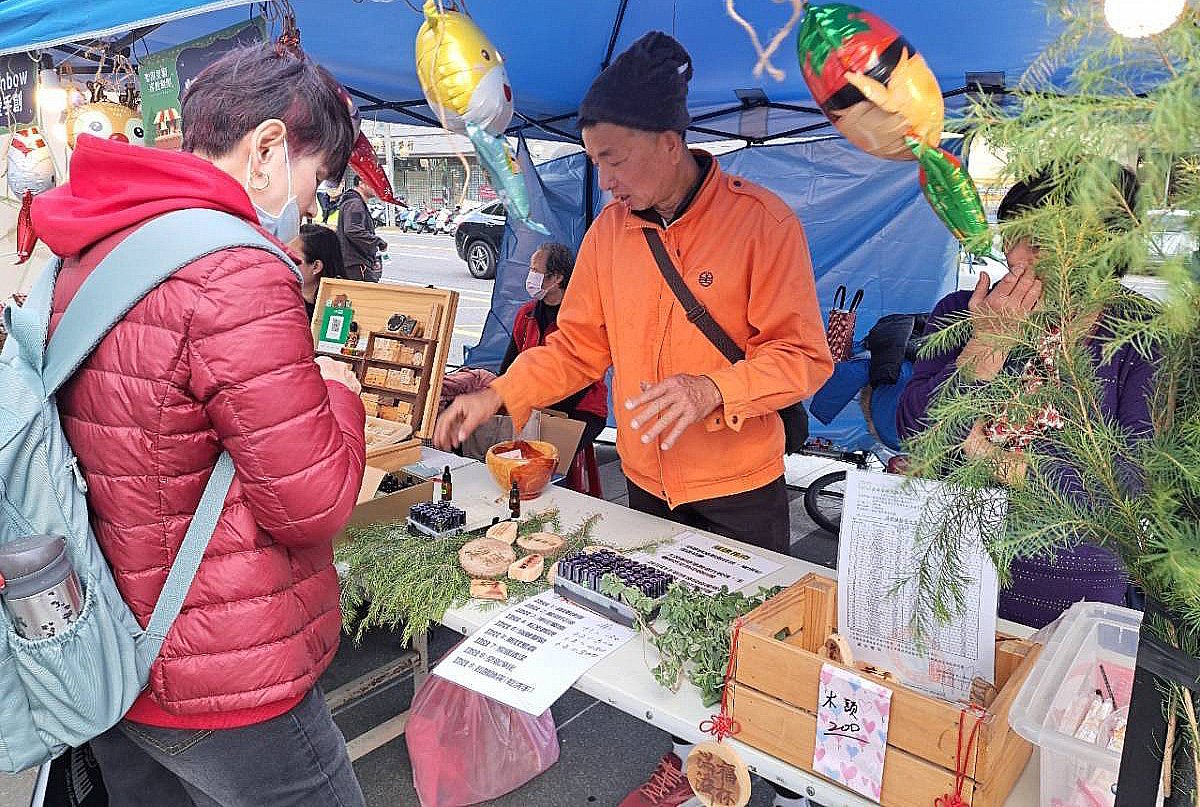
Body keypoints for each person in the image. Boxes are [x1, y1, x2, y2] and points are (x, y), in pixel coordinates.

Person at [434, 32, 832, 807]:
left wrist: (715, 389)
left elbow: (804, 357)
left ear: (671, 141)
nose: (604, 178)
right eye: (594, 160)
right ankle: (688, 762)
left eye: (615, 158)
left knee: (752, 648)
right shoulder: (611, 234)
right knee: (667, 635)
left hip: (740, 484)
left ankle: (772, 779)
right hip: (650, 484)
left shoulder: (763, 223)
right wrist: (502, 394)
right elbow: (578, 348)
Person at [31, 45, 368, 807]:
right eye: (315, 180)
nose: (309, 207)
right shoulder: (235, 269)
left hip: (114, 655)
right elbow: (311, 503)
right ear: (268, 149)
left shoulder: (91, 248)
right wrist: (337, 391)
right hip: (226, 677)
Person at [897, 167, 1153, 629]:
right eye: (1014, 235)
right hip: (947, 565)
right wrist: (986, 346)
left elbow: (1130, 489)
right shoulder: (964, 312)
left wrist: (1004, 465)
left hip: (1074, 587)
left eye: (1039, 241)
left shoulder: (1141, 338)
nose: (1014, 256)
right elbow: (914, 433)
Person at [499, 242, 609, 448]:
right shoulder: (526, 314)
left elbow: (581, 381)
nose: (530, 276)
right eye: (530, 269)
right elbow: (507, 368)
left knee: (545, 453)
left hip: (581, 406)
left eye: (536, 271)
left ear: (557, 278)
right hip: (535, 404)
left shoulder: (581, 318)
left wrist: (542, 411)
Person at [293, 222, 348, 319]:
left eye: (292, 258)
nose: (282, 262)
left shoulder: (343, 307)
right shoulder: (282, 299)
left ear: (316, 266)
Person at [337, 176, 387, 281]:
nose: (376, 187)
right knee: (362, 295)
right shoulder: (354, 203)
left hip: (355, 262)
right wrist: (377, 242)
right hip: (356, 263)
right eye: (373, 183)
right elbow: (352, 229)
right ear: (361, 183)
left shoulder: (353, 202)